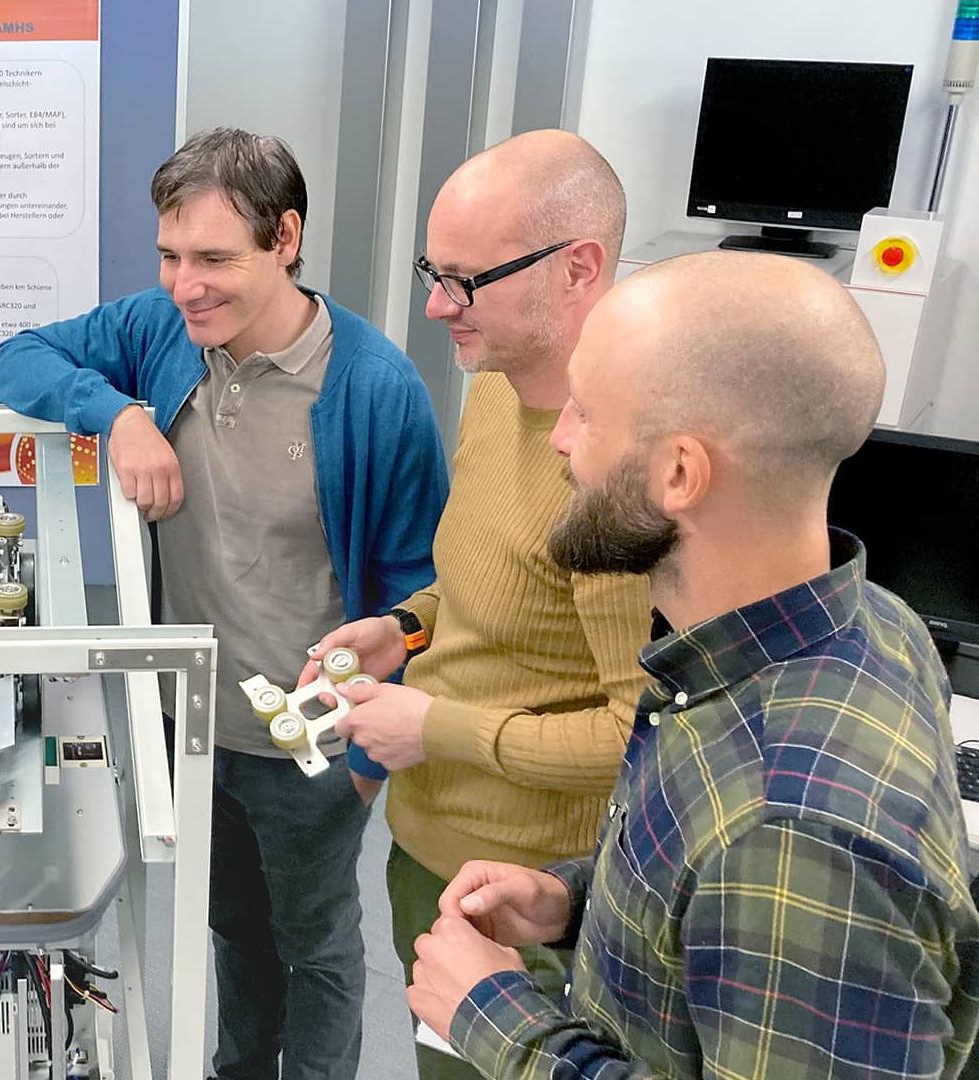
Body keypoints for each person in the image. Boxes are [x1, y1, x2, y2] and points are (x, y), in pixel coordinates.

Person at [408, 250, 979, 1078]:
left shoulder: (796, 835)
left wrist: (499, 1022)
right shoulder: (872, 623)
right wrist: (577, 899)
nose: (561, 440)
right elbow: (709, 897)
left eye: (586, 414)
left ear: (680, 472)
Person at [0, 127, 449, 1080]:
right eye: (171, 256)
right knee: (231, 928)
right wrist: (117, 412)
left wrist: (361, 760)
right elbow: (10, 360)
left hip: (310, 741)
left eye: (216, 260)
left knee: (316, 949)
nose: (187, 283)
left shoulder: (374, 387)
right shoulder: (163, 334)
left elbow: (420, 591)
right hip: (190, 727)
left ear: (285, 239)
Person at [298, 130, 650, 1078]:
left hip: (532, 892)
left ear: (579, 269)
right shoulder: (497, 389)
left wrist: (438, 728)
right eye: (433, 271)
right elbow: (484, 582)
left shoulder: (619, 472)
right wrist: (404, 625)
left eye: (464, 279)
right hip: (429, 843)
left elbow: (642, 737)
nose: (433, 304)